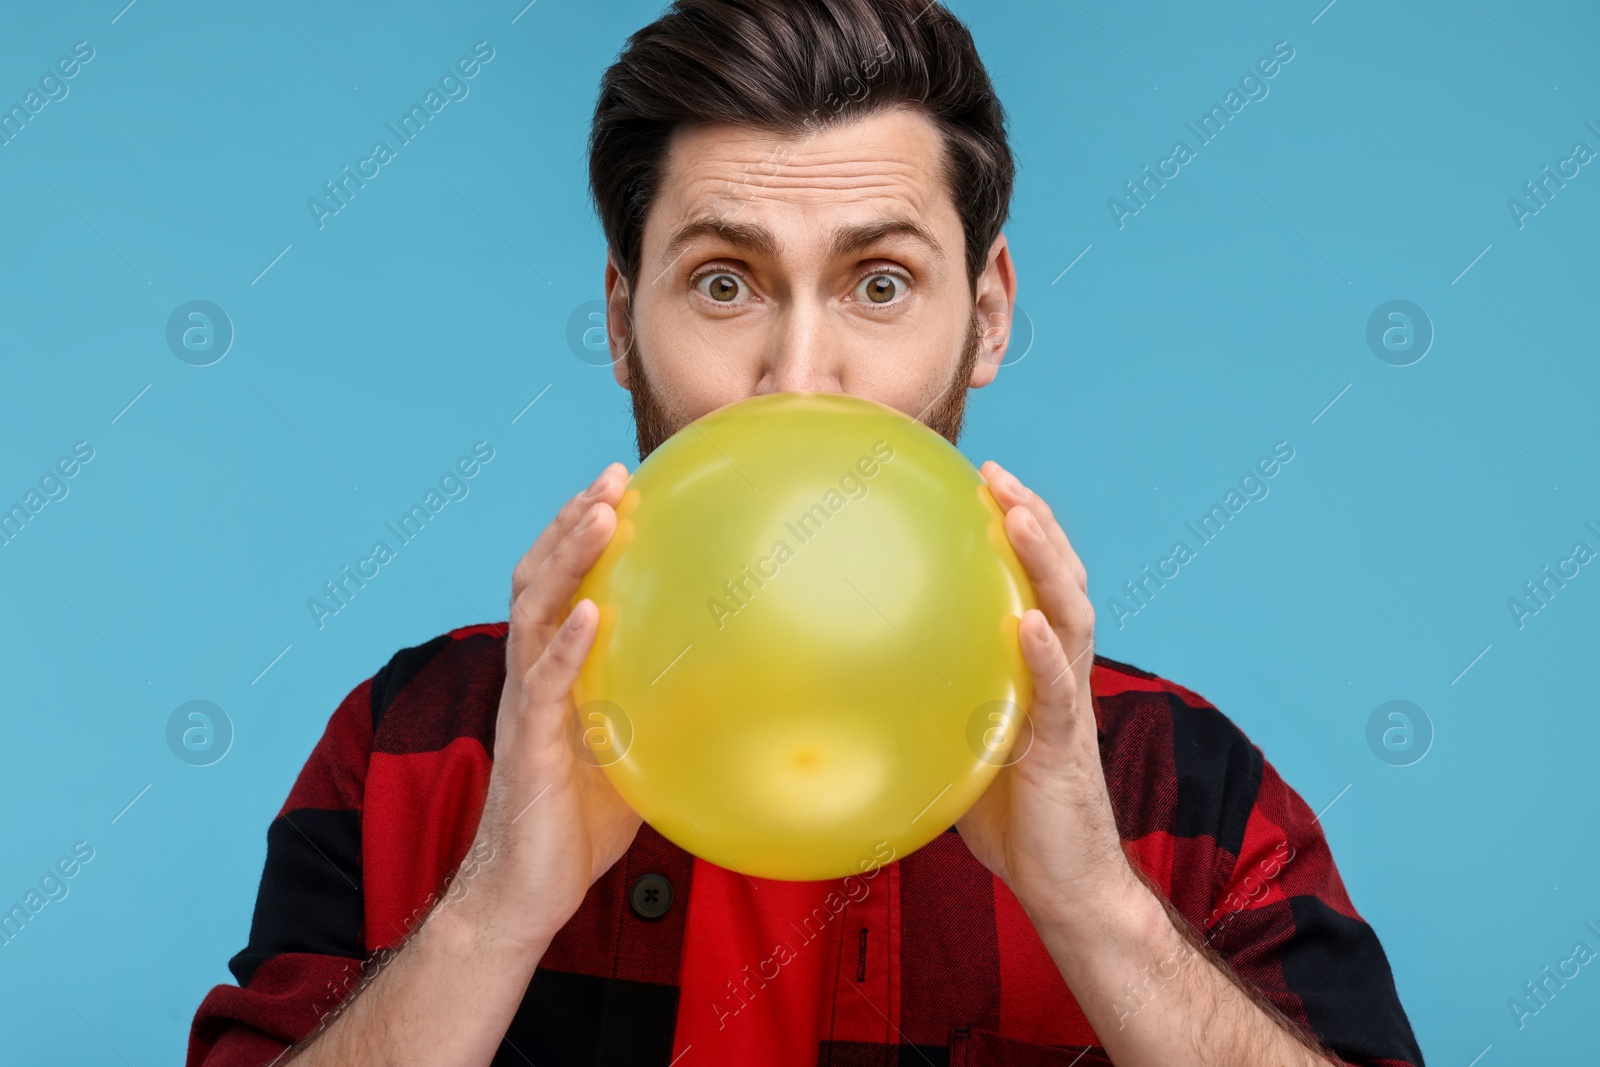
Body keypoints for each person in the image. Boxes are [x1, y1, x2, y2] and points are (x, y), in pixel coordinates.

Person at [188, 2, 1426, 1064]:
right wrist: (491, 910)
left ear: (986, 316)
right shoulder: (414, 751)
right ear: (624, 322)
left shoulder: (1179, 789)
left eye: (878, 282)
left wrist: (1098, 907)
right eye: (722, 281)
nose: (797, 377)